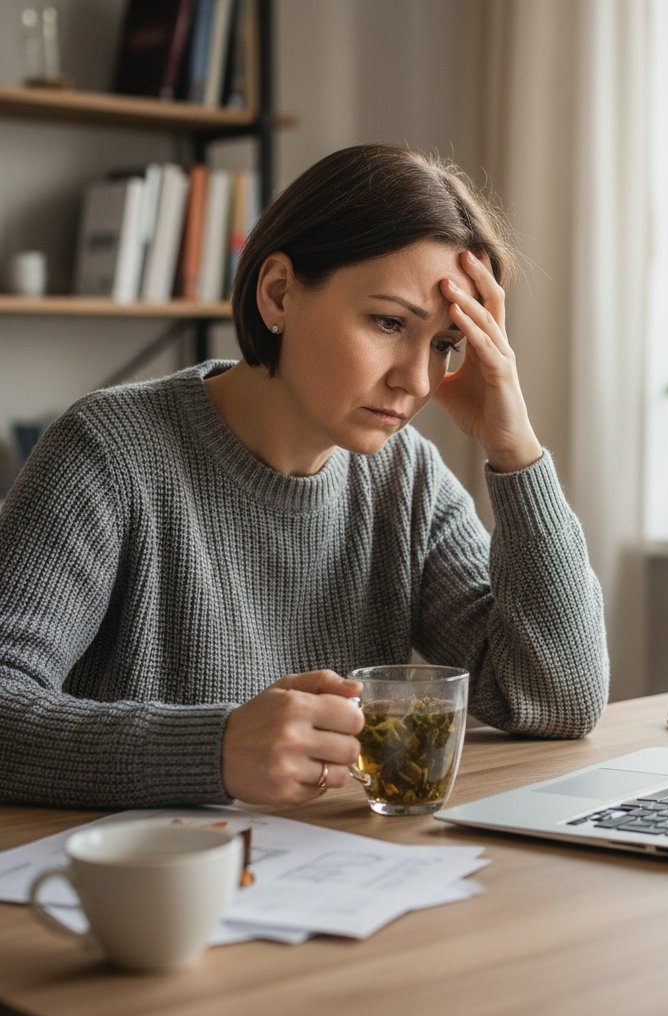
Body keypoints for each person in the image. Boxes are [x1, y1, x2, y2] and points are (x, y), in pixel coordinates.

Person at [0, 143, 609, 809]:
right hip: (132, 870)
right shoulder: (109, 450)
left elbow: (557, 698)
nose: (416, 379)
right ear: (279, 293)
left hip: (330, 858)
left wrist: (515, 450)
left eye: (444, 344)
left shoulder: (406, 478)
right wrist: (215, 749)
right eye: (388, 322)